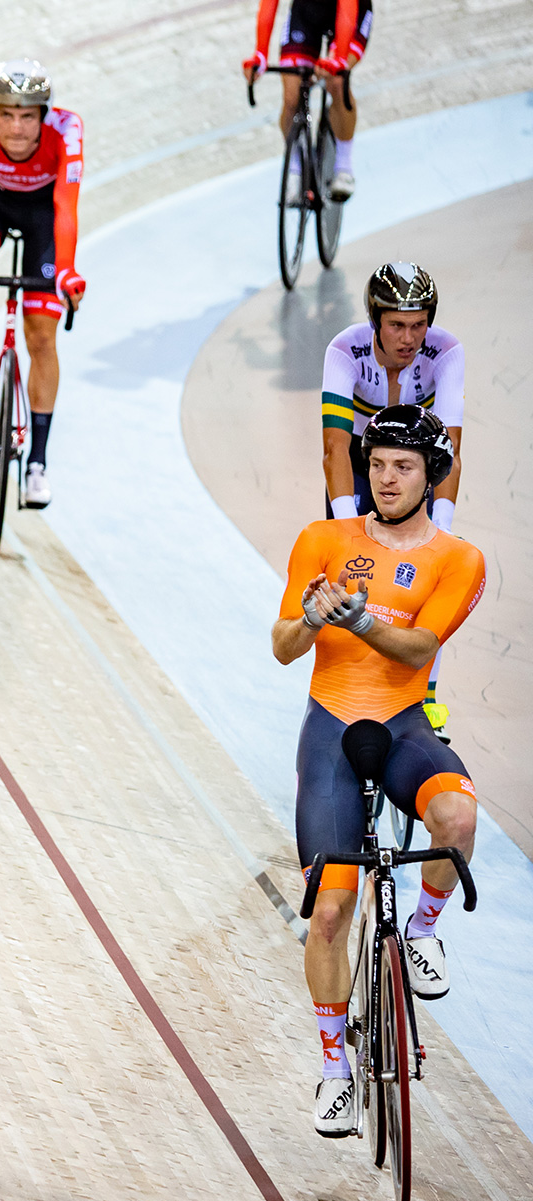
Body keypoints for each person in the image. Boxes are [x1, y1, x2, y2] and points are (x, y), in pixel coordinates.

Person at [270, 405, 484, 1138]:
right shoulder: (322, 539)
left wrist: (359, 620)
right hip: (330, 729)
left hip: (401, 726)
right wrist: (311, 619)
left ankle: (422, 929)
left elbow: (419, 646)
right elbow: (283, 647)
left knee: (456, 818)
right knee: (330, 911)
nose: (387, 478)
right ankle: (334, 1068)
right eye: (379, 463)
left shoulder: (458, 560)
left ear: (432, 475)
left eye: (404, 466)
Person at [320, 262, 464, 737]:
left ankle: (426, 696)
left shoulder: (446, 352)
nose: (409, 337)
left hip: (418, 466)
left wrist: (439, 527)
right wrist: (345, 530)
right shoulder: (345, 349)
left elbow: (450, 453)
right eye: (397, 325)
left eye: (419, 324)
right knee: (350, 574)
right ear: (375, 321)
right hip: (362, 464)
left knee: (430, 577)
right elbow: (335, 448)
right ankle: (345, 687)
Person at [0, 57, 87, 510]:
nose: (16, 128)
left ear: (44, 117)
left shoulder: (68, 131)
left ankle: (37, 465)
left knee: (42, 340)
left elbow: (66, 207)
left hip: (43, 220)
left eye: (28, 116)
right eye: (6, 115)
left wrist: (65, 270)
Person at [242, 0, 370, 200]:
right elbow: (269, 4)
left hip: (351, 11)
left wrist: (339, 59)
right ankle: (294, 169)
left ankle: (344, 168)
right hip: (307, 12)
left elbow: (348, 7)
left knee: (336, 82)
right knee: (292, 97)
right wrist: (260, 53)